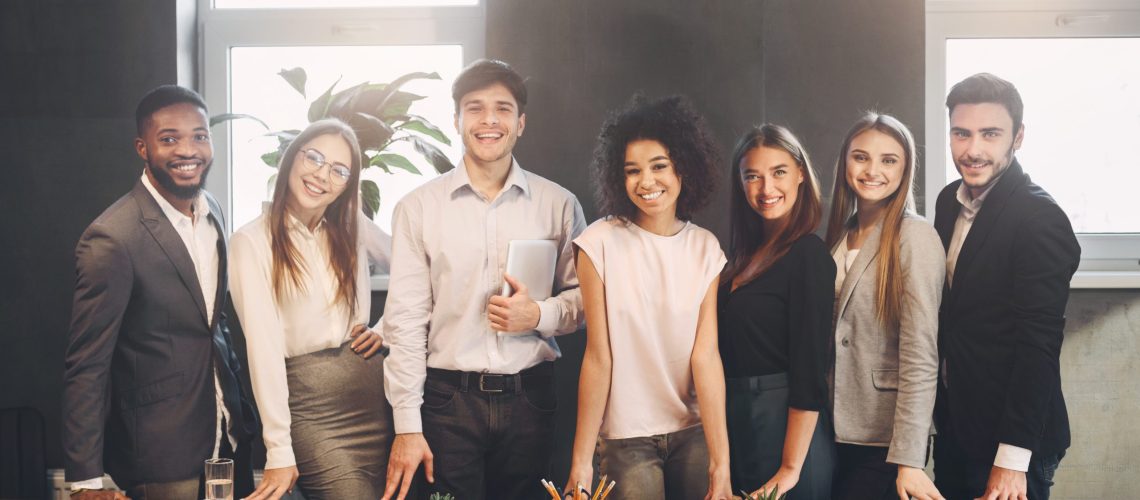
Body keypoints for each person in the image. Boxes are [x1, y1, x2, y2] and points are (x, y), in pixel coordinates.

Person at [381, 59, 587, 500]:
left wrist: (539, 314)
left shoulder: (559, 205)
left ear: (521, 123)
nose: (489, 120)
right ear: (456, 121)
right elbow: (406, 319)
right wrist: (407, 426)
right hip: (446, 401)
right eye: (474, 108)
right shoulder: (418, 208)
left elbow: (587, 300)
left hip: (531, 398)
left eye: (503, 109)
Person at [62, 85, 258, 500]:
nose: (188, 150)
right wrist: (84, 481)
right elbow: (87, 366)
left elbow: (211, 321)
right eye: (169, 139)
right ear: (143, 147)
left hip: (229, 440)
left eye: (199, 136)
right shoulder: (113, 238)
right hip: (160, 456)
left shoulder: (213, 212)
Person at [563, 95, 733, 500]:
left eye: (659, 166)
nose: (646, 181)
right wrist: (581, 461)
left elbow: (705, 357)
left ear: (683, 169)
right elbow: (597, 357)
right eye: (632, 171)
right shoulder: (598, 243)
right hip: (626, 439)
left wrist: (721, 463)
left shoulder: (705, 248)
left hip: (692, 433)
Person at [932, 73, 1080, 500]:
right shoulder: (947, 201)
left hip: (1013, 443)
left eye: (990, 134)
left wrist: (1012, 462)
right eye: (961, 133)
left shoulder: (1040, 218)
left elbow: (1039, 346)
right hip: (958, 428)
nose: (972, 149)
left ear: (1017, 138)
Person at [228, 119, 393, 499]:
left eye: (339, 170)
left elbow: (417, 273)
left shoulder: (351, 226)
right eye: (314, 158)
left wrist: (388, 328)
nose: (322, 175)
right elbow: (263, 350)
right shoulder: (251, 241)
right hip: (313, 411)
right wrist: (279, 451)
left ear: (348, 184)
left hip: (376, 404)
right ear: (292, 158)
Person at [823, 112, 944, 500]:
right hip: (832, 428)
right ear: (845, 163)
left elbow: (921, 354)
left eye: (888, 160)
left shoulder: (916, 237)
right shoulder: (840, 234)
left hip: (884, 440)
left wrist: (909, 459)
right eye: (861, 157)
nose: (872, 169)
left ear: (905, 168)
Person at [718, 124, 836, 499]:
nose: (766, 189)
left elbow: (810, 369)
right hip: (740, 419)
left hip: (788, 430)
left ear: (801, 173)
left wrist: (790, 468)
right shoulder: (739, 258)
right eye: (752, 176)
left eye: (779, 172)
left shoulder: (809, 255)